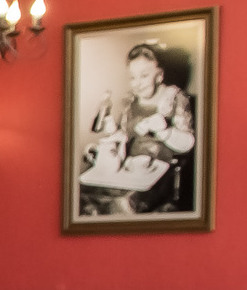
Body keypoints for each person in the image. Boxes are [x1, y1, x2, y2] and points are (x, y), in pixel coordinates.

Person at [81, 42, 198, 218]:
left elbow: (188, 144)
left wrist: (164, 132)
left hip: (161, 178)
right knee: (84, 197)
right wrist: (110, 140)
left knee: (121, 207)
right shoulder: (130, 102)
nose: (136, 84)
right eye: (133, 77)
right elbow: (125, 138)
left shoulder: (174, 98)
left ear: (159, 76)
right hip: (130, 173)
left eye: (144, 76)